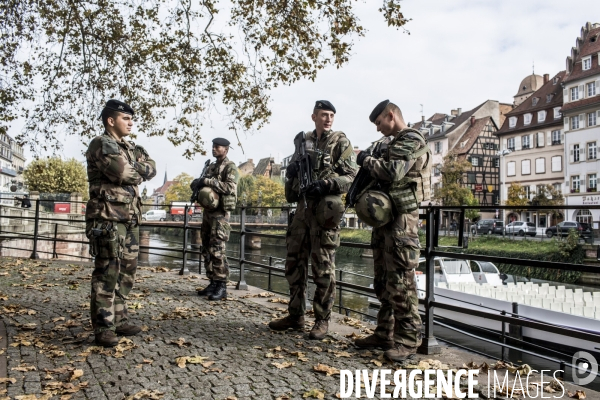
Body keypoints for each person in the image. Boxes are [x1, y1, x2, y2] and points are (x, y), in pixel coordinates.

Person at [269, 100, 358, 339]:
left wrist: (329, 183)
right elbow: (296, 170)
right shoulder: (304, 141)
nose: (328, 119)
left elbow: (352, 176)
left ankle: (321, 320)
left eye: (331, 115)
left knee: (323, 268)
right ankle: (296, 315)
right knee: (294, 264)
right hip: (302, 210)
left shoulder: (340, 142)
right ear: (314, 117)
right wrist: (292, 172)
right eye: (323, 115)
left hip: (324, 212)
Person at [354, 100, 431, 362]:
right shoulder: (392, 142)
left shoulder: (410, 139)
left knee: (401, 282)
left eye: (379, 123)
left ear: (390, 115)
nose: (377, 129)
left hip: (401, 222)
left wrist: (366, 160)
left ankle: (408, 341)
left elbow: (393, 172)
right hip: (387, 220)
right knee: (383, 281)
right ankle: (384, 333)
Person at [85, 99, 156, 347]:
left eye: (131, 118)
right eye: (125, 118)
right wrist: (137, 168)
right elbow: (124, 173)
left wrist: (134, 165)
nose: (131, 122)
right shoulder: (101, 144)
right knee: (107, 272)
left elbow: (152, 168)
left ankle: (120, 318)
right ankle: (104, 327)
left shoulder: (129, 147)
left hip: (130, 216)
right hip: (108, 217)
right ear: (111, 120)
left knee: (127, 272)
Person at [194, 138, 239, 301]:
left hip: (221, 214)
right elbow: (205, 184)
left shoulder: (230, 167)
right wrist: (198, 184)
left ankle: (222, 285)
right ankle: (213, 281)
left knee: (218, 248)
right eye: (213, 146)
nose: (214, 149)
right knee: (206, 247)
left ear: (226, 149)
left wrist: (207, 181)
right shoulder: (211, 166)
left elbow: (230, 187)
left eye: (217, 147)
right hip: (208, 212)